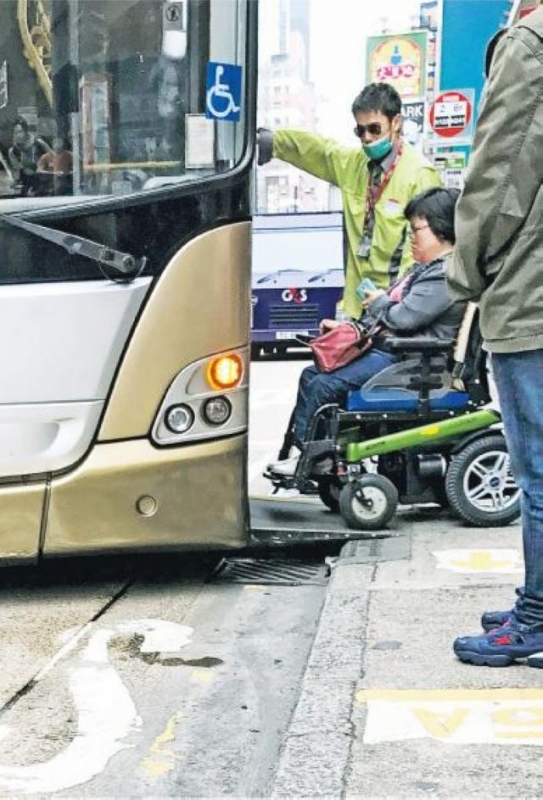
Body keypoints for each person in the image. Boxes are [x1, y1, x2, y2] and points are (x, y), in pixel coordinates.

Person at [446, 7, 543, 668]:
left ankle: (535, 620)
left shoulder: (529, 43)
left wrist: (465, 270)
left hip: (532, 293)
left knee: (536, 468)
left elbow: (499, 174)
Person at [268, 187, 464, 477]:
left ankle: (310, 459)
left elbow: (403, 318)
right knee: (311, 375)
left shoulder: (443, 274)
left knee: (325, 385)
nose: (412, 237)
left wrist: (379, 303)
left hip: (411, 361)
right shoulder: (425, 269)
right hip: (396, 352)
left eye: (417, 230)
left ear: (443, 229)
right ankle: (307, 453)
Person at [257, 82, 441, 319]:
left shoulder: (420, 175)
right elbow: (320, 151)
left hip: (395, 309)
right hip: (357, 309)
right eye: (360, 131)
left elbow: (421, 252)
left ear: (396, 122)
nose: (367, 138)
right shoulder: (353, 164)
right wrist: (271, 143)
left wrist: (397, 306)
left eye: (375, 129)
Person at [7, 116, 51, 196]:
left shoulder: (39, 143)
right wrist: (13, 182)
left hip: (44, 185)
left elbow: (54, 159)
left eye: (20, 132)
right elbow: (17, 172)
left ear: (26, 131)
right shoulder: (13, 151)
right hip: (27, 185)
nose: (17, 135)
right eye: (15, 133)